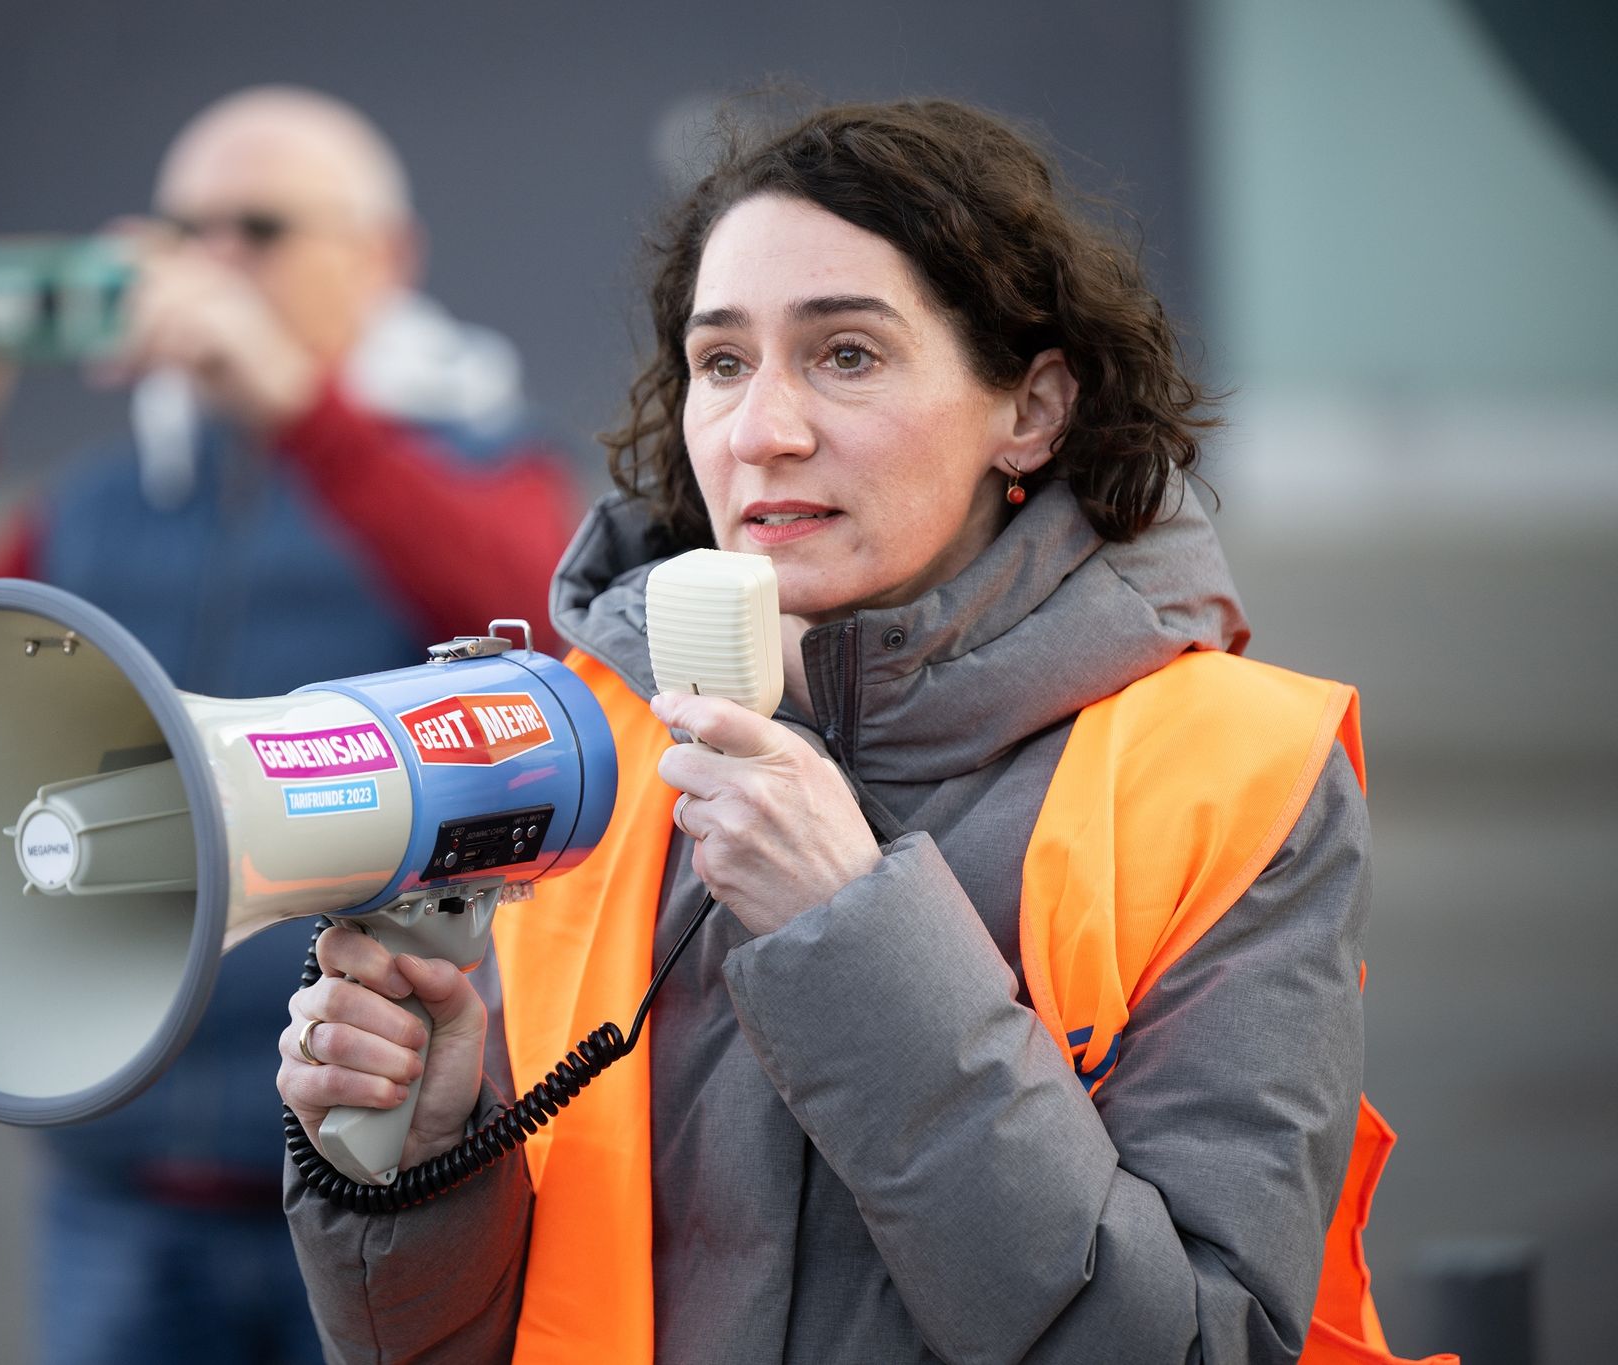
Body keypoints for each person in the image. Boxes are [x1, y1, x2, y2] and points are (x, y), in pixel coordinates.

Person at [277, 99, 1456, 1364]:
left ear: (1033, 407)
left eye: (845, 354)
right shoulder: (591, 743)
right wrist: (432, 1152)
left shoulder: (1234, 776)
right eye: (720, 364)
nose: (760, 431)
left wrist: (851, 936)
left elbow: (1198, 1345)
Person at [0, 87, 586, 1365]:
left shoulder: (481, 456)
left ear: (384, 259)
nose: (214, 265)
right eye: (186, 232)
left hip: (377, 1149)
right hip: (123, 1170)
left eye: (260, 229)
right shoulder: (105, 505)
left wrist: (301, 409)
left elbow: (546, 643)